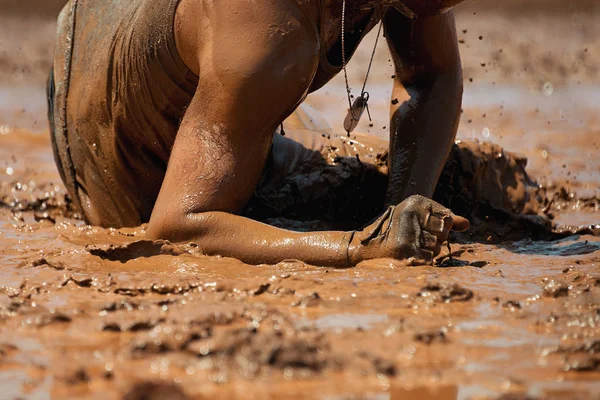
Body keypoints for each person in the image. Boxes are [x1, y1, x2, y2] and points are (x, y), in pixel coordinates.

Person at [47, 0, 469, 267]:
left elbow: (434, 75)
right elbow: (177, 224)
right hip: (110, 145)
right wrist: (359, 246)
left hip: (160, 57)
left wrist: (400, 206)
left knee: (456, 176)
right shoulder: (268, 32)